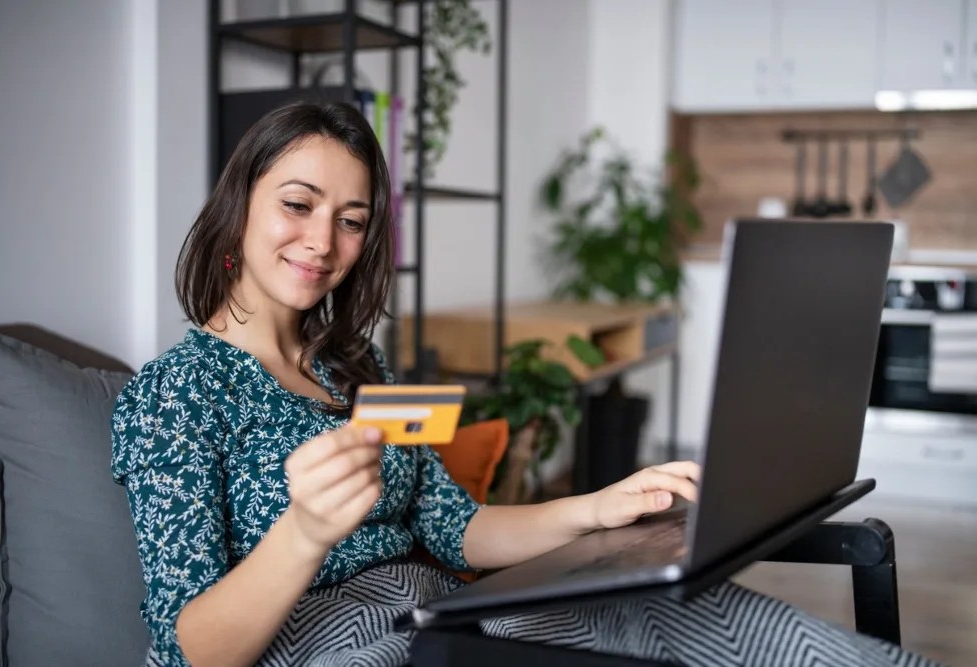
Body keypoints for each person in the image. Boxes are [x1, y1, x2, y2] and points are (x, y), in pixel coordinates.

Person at [111, 102, 937, 667]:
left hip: (446, 607)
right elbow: (191, 648)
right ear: (240, 203)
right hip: (338, 643)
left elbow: (457, 527)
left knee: (691, 610)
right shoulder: (174, 394)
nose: (323, 240)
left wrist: (599, 507)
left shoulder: (356, 366)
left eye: (352, 219)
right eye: (298, 203)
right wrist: (303, 532)